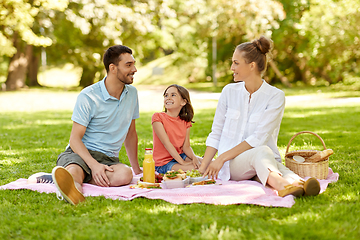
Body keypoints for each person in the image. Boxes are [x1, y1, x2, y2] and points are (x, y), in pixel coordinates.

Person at [199, 36, 320, 197]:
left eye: (236, 63)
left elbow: (259, 137)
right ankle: (282, 185)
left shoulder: (275, 96)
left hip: (264, 159)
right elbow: (216, 133)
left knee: (271, 163)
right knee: (262, 153)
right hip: (232, 165)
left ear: (252, 66)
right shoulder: (229, 92)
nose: (231, 67)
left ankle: (298, 184)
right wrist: (205, 166)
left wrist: (220, 158)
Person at [29, 45, 142, 205]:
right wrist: (94, 165)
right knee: (76, 171)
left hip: (109, 159)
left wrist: (136, 170)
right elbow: (75, 139)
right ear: (113, 68)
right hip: (80, 153)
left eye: (133, 64)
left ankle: (62, 178)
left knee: (125, 175)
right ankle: (74, 190)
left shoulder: (132, 94)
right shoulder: (88, 96)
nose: (135, 69)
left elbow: (131, 134)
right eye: (128, 65)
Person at [152, 84, 202, 174]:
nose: (168, 98)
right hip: (164, 163)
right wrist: (182, 163)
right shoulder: (157, 117)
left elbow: (186, 146)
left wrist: (194, 158)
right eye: (166, 95)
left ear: (183, 102)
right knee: (200, 169)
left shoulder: (185, 121)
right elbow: (167, 143)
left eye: (173, 95)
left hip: (181, 155)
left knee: (208, 163)